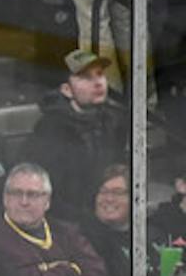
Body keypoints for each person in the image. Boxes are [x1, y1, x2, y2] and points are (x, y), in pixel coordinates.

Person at [0, 160, 108, 276]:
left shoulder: (67, 232)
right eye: (16, 193)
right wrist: (73, 270)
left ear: (47, 201)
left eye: (32, 194)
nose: (24, 202)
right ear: (5, 198)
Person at [23, 49, 128, 218]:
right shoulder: (50, 130)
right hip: (69, 222)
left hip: (107, 213)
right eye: (86, 77)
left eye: (100, 74)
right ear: (66, 90)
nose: (98, 83)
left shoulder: (113, 120)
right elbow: (50, 194)